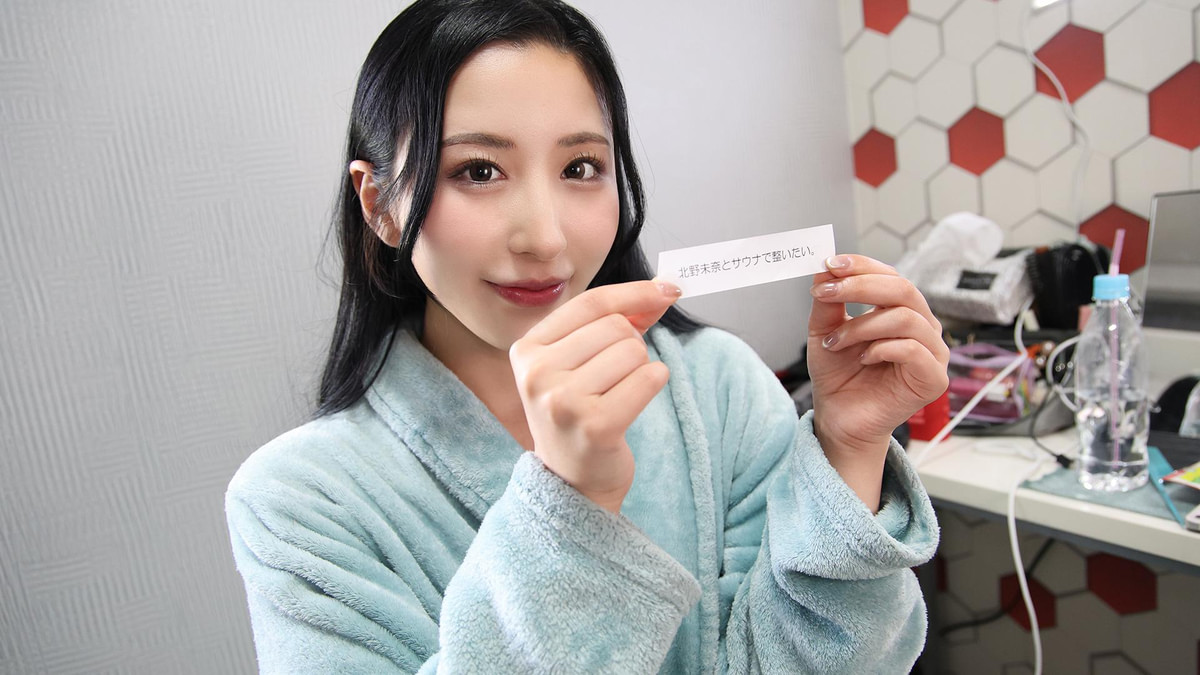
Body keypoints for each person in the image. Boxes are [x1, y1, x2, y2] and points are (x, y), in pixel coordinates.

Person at [224, 0, 949, 672]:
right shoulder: (299, 502)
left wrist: (850, 451)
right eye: (478, 170)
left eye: (580, 167)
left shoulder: (720, 387)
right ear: (380, 204)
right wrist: (567, 509)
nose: (545, 238)